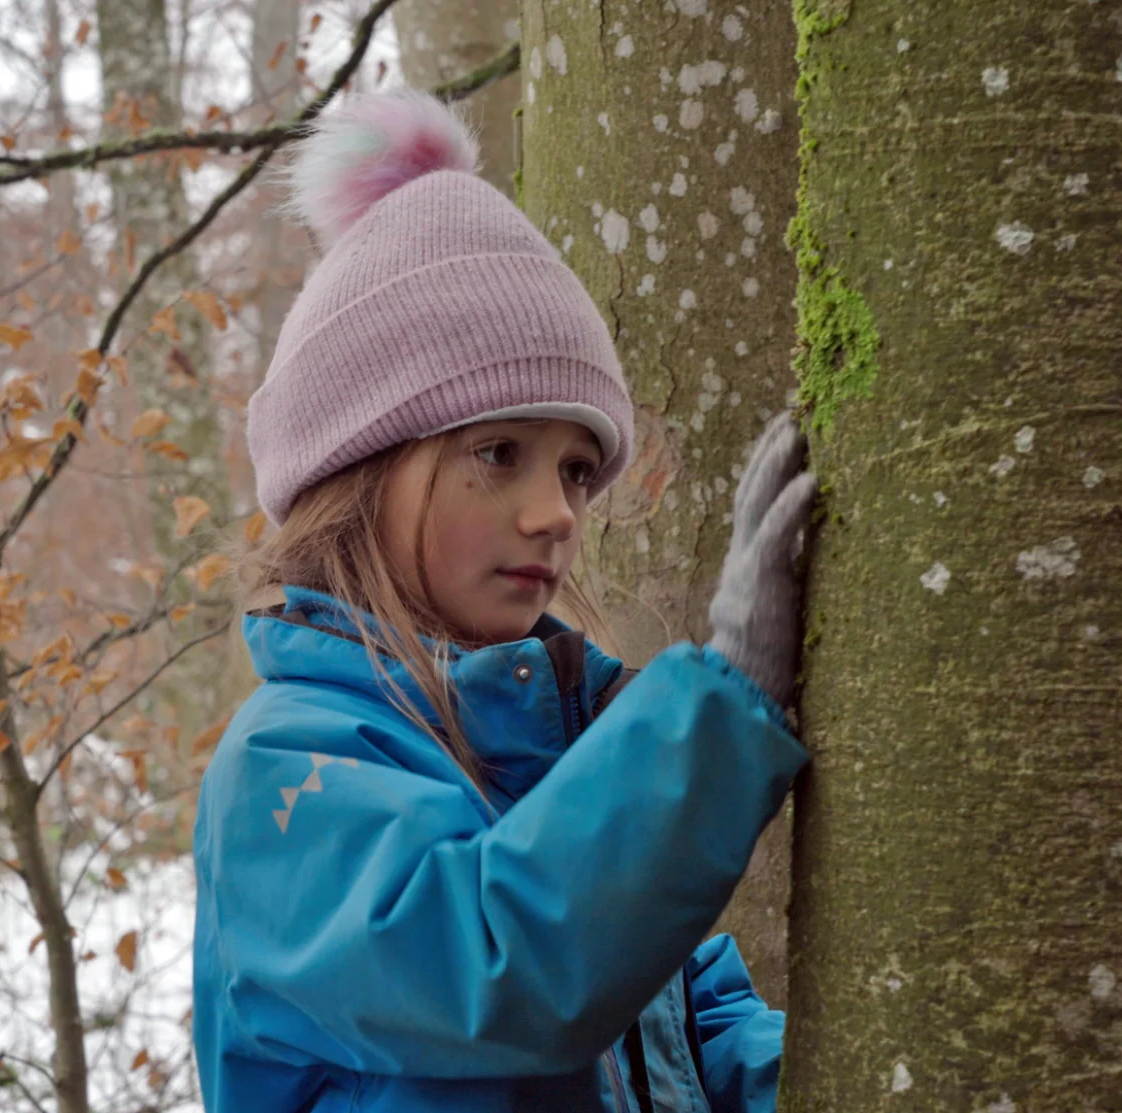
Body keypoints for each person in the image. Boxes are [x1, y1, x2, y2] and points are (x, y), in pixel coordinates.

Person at [191, 87, 815, 1113]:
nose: (555, 513)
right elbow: (499, 966)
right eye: (498, 454)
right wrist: (723, 698)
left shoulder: (559, 747)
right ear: (359, 471)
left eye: (575, 472)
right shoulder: (288, 766)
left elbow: (674, 1023)